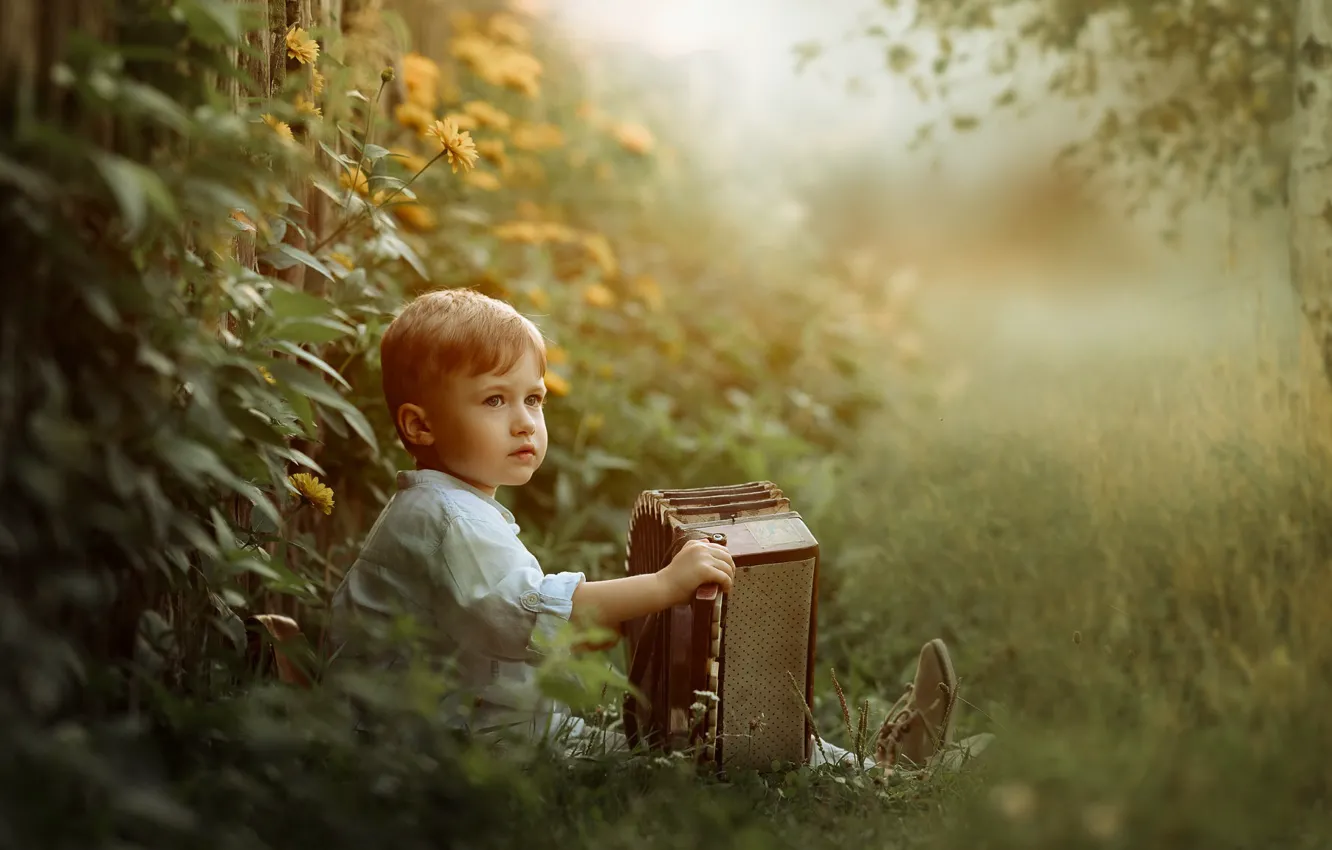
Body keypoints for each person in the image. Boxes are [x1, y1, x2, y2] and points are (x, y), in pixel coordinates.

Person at [328, 289, 961, 773]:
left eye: (535, 399)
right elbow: (528, 618)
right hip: (456, 751)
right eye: (495, 401)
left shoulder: (445, 508)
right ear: (421, 426)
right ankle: (881, 772)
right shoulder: (449, 519)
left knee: (683, 735)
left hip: (480, 726)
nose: (524, 422)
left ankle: (868, 765)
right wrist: (660, 587)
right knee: (690, 753)